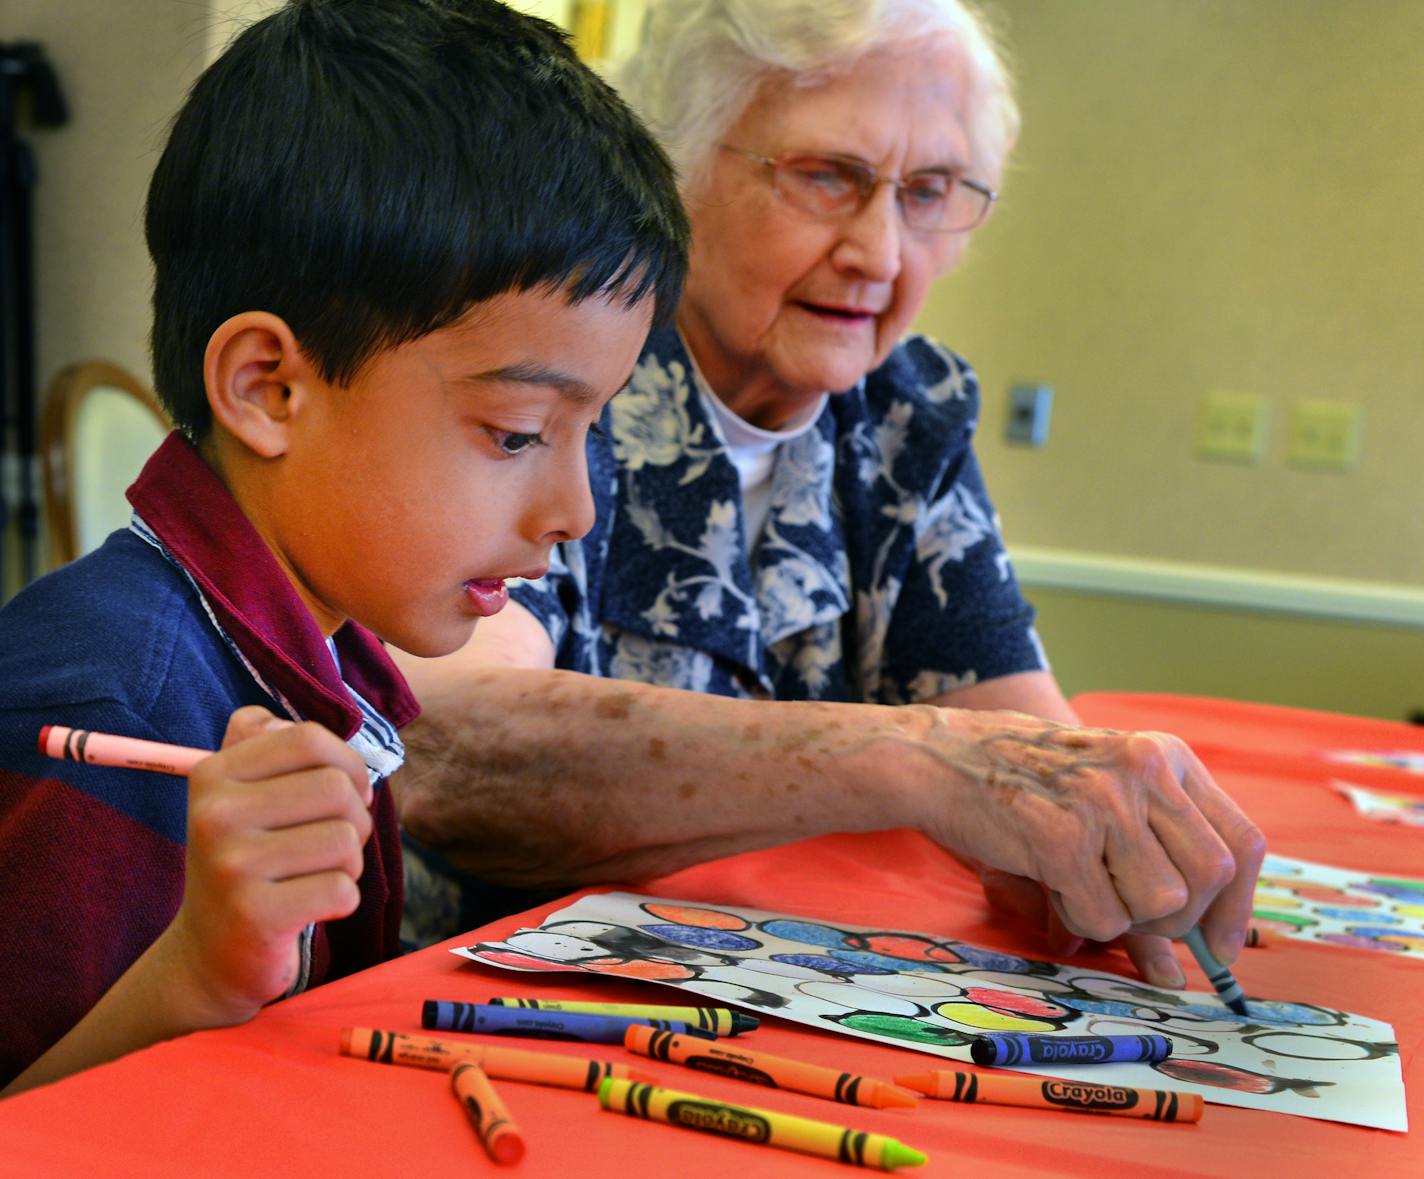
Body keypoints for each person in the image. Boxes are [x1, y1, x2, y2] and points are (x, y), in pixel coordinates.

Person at [392, 0, 1265, 991]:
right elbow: (453, 743)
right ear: (675, 168)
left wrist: (1094, 840)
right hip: (483, 1008)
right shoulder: (558, 368)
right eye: (824, 177)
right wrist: (916, 759)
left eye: (927, 192)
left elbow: (1029, 750)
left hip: (756, 1001)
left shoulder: (903, 412)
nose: (880, 254)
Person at [0, 0, 687, 1095]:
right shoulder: (107, 711)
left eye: (586, 429)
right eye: (515, 433)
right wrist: (191, 975)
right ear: (269, 389)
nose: (574, 509)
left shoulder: (313, 663)